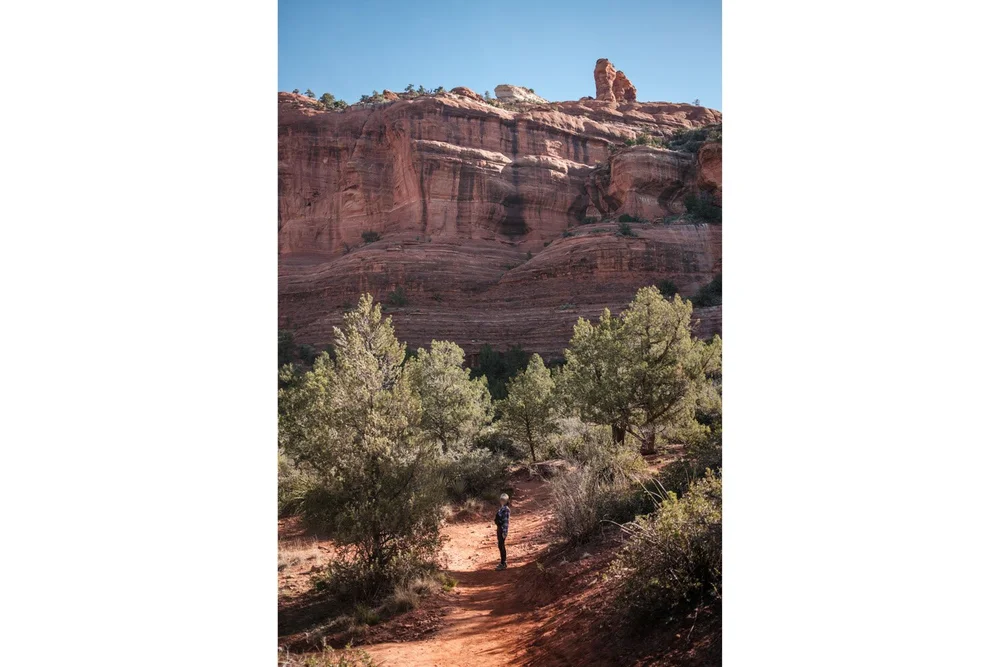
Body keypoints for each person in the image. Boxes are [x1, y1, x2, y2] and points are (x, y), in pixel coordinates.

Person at [494, 493, 510, 570]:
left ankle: (503, 563)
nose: (502, 501)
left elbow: (506, 522)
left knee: (501, 545)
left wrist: (504, 532)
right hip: (499, 528)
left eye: (504, 500)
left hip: (502, 529)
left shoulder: (506, 509)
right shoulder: (502, 508)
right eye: (501, 499)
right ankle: (503, 562)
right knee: (500, 545)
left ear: (506, 501)